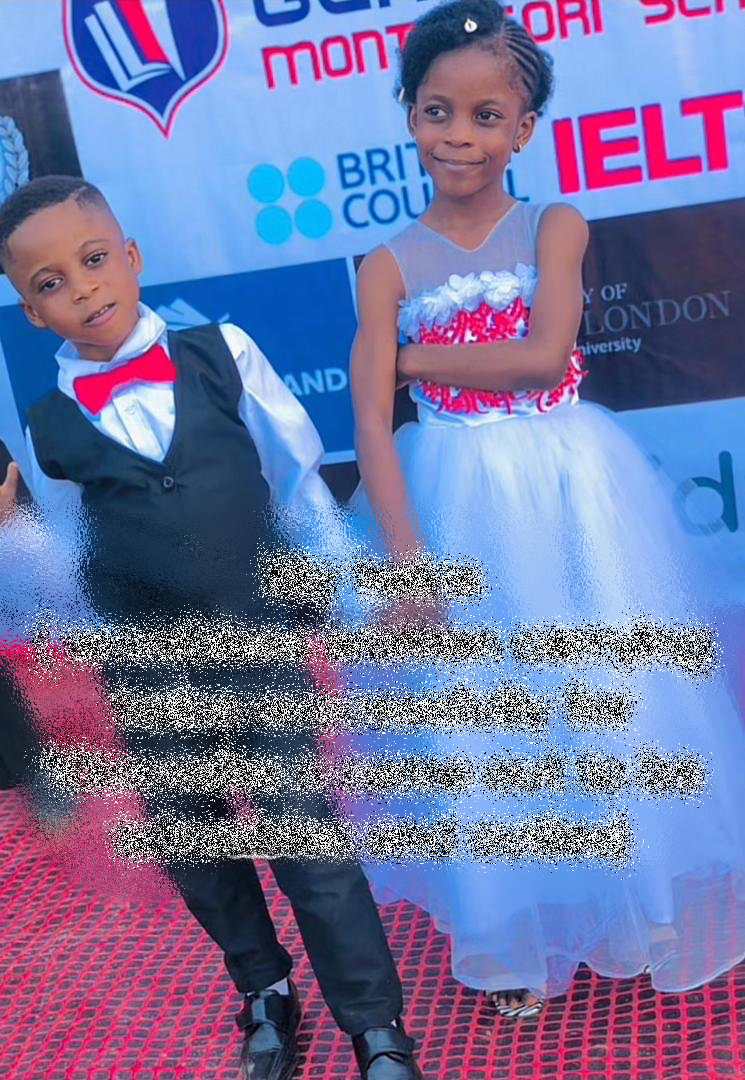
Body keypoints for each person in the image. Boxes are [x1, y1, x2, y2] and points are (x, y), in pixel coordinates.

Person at [347, 0, 745, 1022]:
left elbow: (540, 356)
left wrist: (410, 358)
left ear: (523, 128)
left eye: (488, 116)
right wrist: (406, 558)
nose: (460, 135)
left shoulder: (554, 226)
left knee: (606, 680)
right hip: (457, 504)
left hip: (570, 489)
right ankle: (513, 929)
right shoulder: (384, 267)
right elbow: (372, 427)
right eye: (437, 110)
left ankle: (645, 902)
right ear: (409, 113)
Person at [0, 175, 423, 1080]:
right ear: (32, 313)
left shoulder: (221, 353)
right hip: (144, 666)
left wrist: (349, 601)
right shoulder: (47, 426)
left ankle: (374, 1026)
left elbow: (297, 485)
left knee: (306, 839)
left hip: (255, 640)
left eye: (94, 259)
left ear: (131, 256)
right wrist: (15, 544)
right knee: (197, 843)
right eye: (50, 283)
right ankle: (264, 988)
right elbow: (72, 563)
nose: (82, 287)